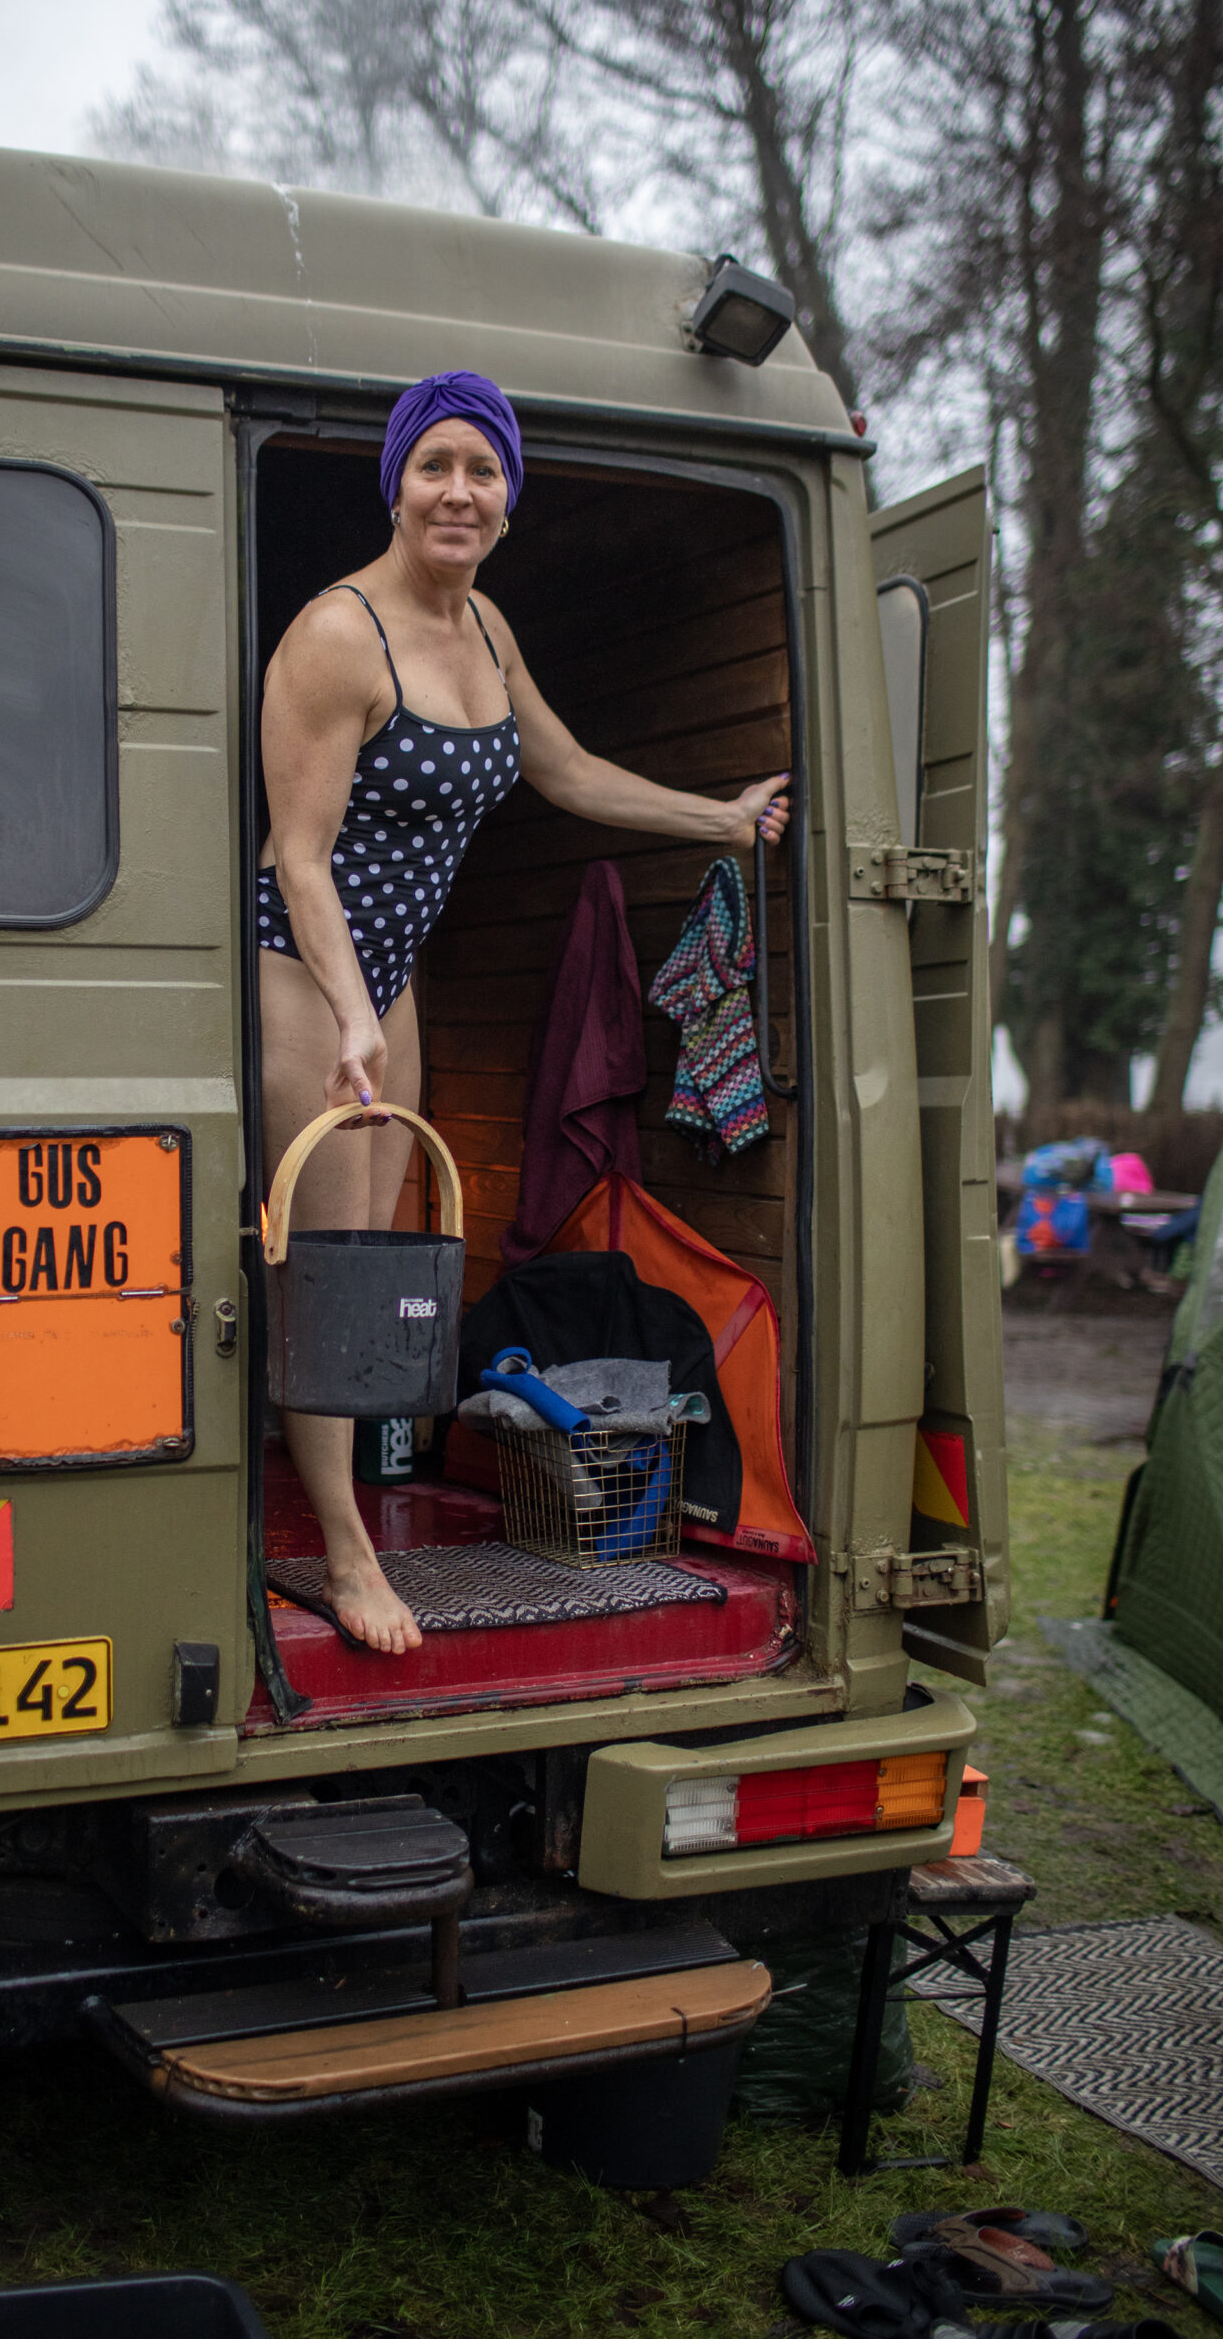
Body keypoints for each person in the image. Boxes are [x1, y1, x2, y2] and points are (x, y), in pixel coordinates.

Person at [257, 370, 791, 1655]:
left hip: (392, 975)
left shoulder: (486, 630)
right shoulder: (338, 634)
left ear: (509, 499)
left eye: (482, 469)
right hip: (301, 967)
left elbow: (566, 770)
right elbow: (301, 857)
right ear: (396, 484)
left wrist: (720, 818)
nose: (458, 490)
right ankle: (344, 1554)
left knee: (382, 1253)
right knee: (329, 1271)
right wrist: (348, 1015)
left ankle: (350, 1505)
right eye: (434, 464)